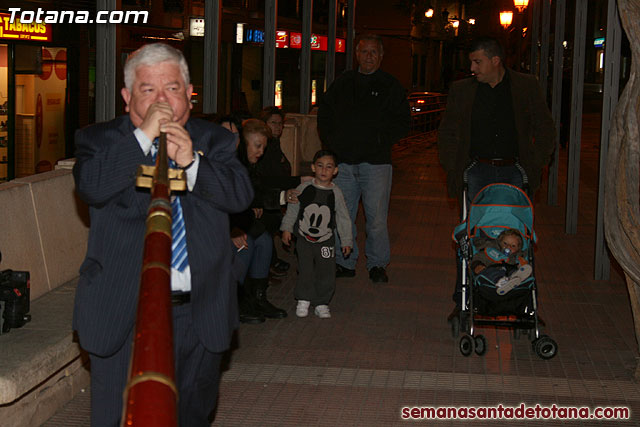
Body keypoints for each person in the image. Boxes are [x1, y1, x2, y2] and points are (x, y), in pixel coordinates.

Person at [72, 43, 253, 426]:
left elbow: (240, 197)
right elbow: (92, 186)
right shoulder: (98, 141)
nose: (161, 99)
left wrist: (192, 163)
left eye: (171, 88)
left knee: (190, 415)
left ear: (189, 94)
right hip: (122, 310)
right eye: (147, 89)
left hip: (197, 312)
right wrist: (143, 138)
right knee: (115, 417)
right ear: (126, 97)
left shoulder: (215, 141)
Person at [438, 36, 555, 319]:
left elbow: (545, 128)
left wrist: (534, 165)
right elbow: (449, 131)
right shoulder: (462, 90)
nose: (472, 68)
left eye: (477, 62)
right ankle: (465, 299)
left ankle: (522, 301)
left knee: (517, 236)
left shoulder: (526, 86)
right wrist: (454, 167)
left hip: (514, 172)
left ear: (495, 61)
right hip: (477, 171)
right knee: (472, 236)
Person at [317, 33, 411, 284]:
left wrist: (381, 140)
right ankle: (344, 261)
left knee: (377, 219)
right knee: (343, 215)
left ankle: (377, 264)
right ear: (356, 55)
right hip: (344, 164)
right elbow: (324, 115)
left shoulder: (391, 86)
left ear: (381, 56)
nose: (368, 57)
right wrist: (334, 144)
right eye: (364, 52)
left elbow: (403, 121)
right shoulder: (343, 83)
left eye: (373, 52)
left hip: (377, 164)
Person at [230, 118, 298, 322]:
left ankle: (258, 298)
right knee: (246, 244)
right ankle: (236, 302)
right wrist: (231, 229)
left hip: (240, 218)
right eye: (257, 145)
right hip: (221, 224)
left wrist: (282, 197)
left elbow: (255, 192)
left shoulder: (250, 165)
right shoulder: (230, 164)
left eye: (263, 147)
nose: (261, 151)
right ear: (244, 142)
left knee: (265, 241)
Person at [280, 149, 352, 319]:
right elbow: (292, 210)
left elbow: (343, 218)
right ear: (313, 167)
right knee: (305, 269)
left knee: (326, 270)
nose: (324, 170)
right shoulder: (303, 188)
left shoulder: (336, 193)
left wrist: (346, 240)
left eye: (329, 167)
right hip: (304, 239)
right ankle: (303, 298)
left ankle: (321, 302)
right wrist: (287, 229)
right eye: (320, 166)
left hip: (326, 242)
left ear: (335, 170)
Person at [470, 228, 532, 295]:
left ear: (518, 248)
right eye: (505, 243)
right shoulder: (492, 251)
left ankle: (515, 277)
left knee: (515, 271)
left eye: (513, 246)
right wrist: (477, 265)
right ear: (499, 242)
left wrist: (523, 265)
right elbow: (478, 257)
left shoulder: (517, 257)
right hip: (491, 273)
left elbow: (522, 263)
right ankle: (501, 281)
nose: (508, 247)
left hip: (509, 272)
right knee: (491, 272)